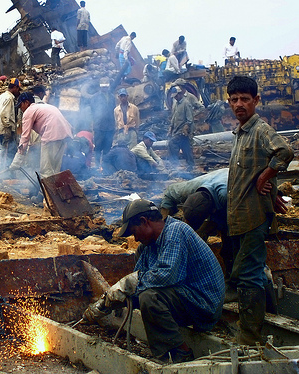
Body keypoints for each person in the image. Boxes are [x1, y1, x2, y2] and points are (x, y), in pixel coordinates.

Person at [82, 199, 225, 363]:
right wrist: (107, 303)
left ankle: (181, 353)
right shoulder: (147, 248)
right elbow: (141, 285)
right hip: (184, 298)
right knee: (145, 293)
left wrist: (128, 284)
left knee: (150, 298)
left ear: (145, 221)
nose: (135, 238)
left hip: (204, 304)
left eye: (135, 232)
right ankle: (168, 349)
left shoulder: (175, 231)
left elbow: (167, 275)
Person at [226, 76, 294, 345]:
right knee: (251, 269)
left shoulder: (260, 129)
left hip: (254, 215)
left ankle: (249, 335)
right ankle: (266, 316)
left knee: (248, 273)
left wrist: (266, 177)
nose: (239, 104)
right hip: (241, 214)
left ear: (256, 101)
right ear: (229, 102)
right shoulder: (241, 132)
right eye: (234, 100)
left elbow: (284, 151)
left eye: (245, 99)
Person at [160, 168, 232, 276]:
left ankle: (232, 278)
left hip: (236, 186)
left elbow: (232, 223)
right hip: (217, 182)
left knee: (230, 245)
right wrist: (162, 225)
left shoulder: (227, 196)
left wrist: (210, 227)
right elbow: (169, 193)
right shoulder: (188, 189)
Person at [15, 92, 73, 179]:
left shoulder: (29, 111)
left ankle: (46, 192)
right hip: (64, 136)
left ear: (26, 102)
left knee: (46, 170)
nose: (21, 109)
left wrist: (17, 159)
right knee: (55, 169)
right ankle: (54, 191)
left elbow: (25, 137)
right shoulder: (46, 106)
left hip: (51, 136)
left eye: (21, 106)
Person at [0, 78, 21, 167]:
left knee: (4, 152)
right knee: (7, 153)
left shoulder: (1, 96)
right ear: (15, 87)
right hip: (6, 130)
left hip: (0, 129)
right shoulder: (9, 98)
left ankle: (4, 169)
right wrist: (9, 128)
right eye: (18, 89)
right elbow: (4, 115)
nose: (18, 92)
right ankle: (5, 172)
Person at [167, 86, 195, 169]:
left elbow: (190, 119)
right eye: (174, 96)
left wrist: (186, 128)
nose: (175, 98)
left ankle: (174, 164)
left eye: (176, 96)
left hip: (182, 130)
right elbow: (174, 117)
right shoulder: (175, 104)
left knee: (172, 143)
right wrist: (170, 128)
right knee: (185, 147)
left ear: (180, 94)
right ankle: (190, 165)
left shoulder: (186, 104)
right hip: (176, 130)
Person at [92, 79, 116, 168]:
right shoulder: (95, 97)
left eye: (106, 87)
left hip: (110, 126)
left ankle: (105, 166)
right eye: (103, 87)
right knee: (98, 147)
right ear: (100, 87)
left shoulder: (112, 97)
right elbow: (93, 111)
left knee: (107, 147)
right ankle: (97, 166)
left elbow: (113, 110)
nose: (105, 89)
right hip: (99, 126)